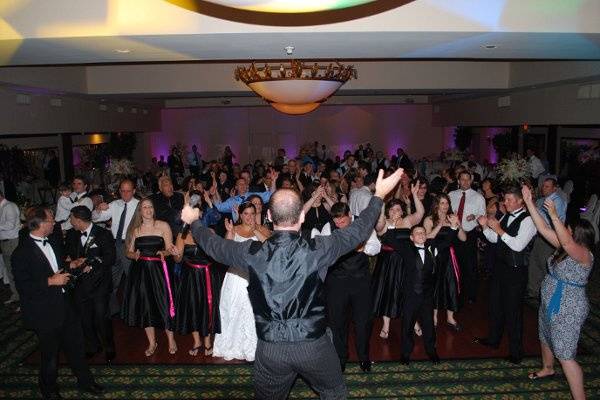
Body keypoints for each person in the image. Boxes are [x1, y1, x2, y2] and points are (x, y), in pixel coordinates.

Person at [181, 168, 404, 400]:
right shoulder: (319, 248)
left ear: (268, 217)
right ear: (302, 217)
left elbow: (213, 245)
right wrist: (378, 196)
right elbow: (358, 232)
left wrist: (194, 221)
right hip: (314, 346)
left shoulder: (251, 253)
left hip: (270, 351)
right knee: (335, 393)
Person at [12, 206, 103, 399]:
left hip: (65, 303)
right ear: (41, 224)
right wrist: (50, 281)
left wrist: (72, 265)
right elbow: (23, 286)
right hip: (43, 311)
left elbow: (58, 265)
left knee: (76, 347)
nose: (55, 222)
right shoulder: (21, 253)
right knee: (50, 354)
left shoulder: (52, 240)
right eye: (51, 220)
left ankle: (86, 382)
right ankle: (49, 390)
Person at [522, 185, 593, 400]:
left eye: (568, 228)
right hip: (551, 300)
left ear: (576, 234)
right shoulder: (564, 248)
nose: (565, 230)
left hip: (568, 307)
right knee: (545, 335)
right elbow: (543, 229)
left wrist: (554, 214)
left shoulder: (583, 254)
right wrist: (529, 202)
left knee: (566, 354)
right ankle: (547, 368)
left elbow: (567, 240)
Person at [475, 186, 537, 364]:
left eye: (510, 200)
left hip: (516, 271)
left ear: (520, 201)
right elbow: (495, 239)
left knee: (513, 312)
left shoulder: (528, 220)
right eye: (505, 199)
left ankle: (516, 352)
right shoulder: (507, 216)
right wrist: (486, 227)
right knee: (495, 305)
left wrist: (499, 229)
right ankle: (494, 340)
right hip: (501, 268)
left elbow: (518, 246)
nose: (505, 203)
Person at [324, 202, 380, 373]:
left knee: (363, 321)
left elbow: (376, 246)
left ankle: (364, 357)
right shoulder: (328, 227)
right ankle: (340, 358)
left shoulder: (362, 225)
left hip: (360, 280)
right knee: (336, 322)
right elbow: (323, 250)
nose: (338, 225)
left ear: (349, 214)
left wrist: (363, 248)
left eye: (342, 220)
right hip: (336, 281)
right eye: (336, 222)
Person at [213, 202, 270, 361]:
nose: (249, 217)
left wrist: (256, 231)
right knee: (233, 310)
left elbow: (270, 249)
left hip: (256, 276)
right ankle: (231, 345)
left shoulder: (262, 229)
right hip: (236, 277)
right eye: (246, 214)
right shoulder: (234, 229)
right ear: (240, 214)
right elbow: (226, 251)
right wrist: (230, 232)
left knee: (254, 311)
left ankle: (254, 347)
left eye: (252, 213)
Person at [121, 198, 178, 356]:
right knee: (146, 307)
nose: (148, 210)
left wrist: (164, 252)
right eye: (145, 207)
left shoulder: (163, 226)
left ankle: (171, 340)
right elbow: (128, 252)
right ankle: (152, 343)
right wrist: (134, 255)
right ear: (140, 211)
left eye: (150, 207)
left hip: (159, 271)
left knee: (164, 304)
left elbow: (169, 248)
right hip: (141, 273)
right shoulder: (136, 230)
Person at [398, 221, 459, 365]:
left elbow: (448, 240)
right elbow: (390, 239)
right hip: (410, 295)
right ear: (412, 237)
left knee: (429, 325)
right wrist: (392, 226)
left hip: (427, 295)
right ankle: (405, 354)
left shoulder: (432, 248)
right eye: (418, 233)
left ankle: (431, 351)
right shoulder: (407, 249)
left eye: (423, 233)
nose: (421, 235)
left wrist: (454, 227)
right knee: (407, 325)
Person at [171, 191, 222, 356]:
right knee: (192, 307)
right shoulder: (182, 235)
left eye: (197, 212)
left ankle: (207, 342)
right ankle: (197, 341)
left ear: (201, 214)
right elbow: (178, 260)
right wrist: (175, 254)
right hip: (189, 277)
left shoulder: (210, 233)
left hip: (207, 275)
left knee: (206, 308)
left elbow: (217, 257)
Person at [65, 206, 117, 363]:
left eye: (72, 219)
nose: (70, 222)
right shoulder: (72, 234)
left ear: (79, 220)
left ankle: (109, 347)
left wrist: (91, 263)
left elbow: (110, 258)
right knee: (84, 318)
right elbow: (68, 253)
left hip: (99, 283)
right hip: (80, 284)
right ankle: (92, 346)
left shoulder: (103, 234)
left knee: (102, 317)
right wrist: (70, 261)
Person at [372, 182, 423, 340]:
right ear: (388, 211)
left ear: (402, 211)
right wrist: (382, 204)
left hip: (406, 262)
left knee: (407, 292)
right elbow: (379, 226)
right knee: (388, 293)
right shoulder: (384, 222)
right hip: (388, 263)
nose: (395, 211)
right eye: (392, 209)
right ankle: (386, 325)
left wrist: (414, 194)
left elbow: (420, 213)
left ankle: (413, 321)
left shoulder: (407, 221)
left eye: (398, 209)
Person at [93, 179, 140, 315]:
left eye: (128, 191)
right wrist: (98, 209)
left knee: (132, 278)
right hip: (113, 244)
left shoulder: (139, 205)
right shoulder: (114, 204)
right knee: (112, 278)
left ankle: (134, 310)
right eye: (123, 191)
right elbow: (96, 218)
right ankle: (113, 310)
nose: (125, 193)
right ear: (119, 191)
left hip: (130, 243)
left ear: (134, 191)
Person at [423, 194, 467, 330]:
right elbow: (426, 237)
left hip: (449, 255)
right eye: (442, 203)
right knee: (435, 285)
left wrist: (458, 225)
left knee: (451, 285)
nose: (445, 206)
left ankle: (450, 317)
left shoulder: (451, 218)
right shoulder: (429, 219)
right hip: (435, 255)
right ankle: (434, 316)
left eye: (447, 203)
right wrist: (440, 225)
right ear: (436, 205)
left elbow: (463, 239)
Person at [448, 171, 486, 304]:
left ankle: (471, 294)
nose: (465, 182)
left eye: (467, 180)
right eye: (462, 179)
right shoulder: (451, 195)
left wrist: (474, 217)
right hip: (453, 232)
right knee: (453, 263)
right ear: (458, 181)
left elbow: (483, 216)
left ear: (471, 181)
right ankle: (455, 292)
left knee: (470, 265)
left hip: (469, 234)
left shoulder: (478, 197)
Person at [527, 177, 567, 298]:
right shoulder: (542, 200)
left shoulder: (557, 201)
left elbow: (552, 222)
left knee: (545, 263)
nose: (543, 188)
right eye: (543, 186)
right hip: (541, 236)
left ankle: (547, 292)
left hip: (551, 237)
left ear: (555, 188)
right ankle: (533, 290)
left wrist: (535, 209)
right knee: (534, 261)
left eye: (547, 186)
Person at [0, 190, 21, 305]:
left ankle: (23, 300)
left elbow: (10, 225)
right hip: (4, 242)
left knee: (17, 271)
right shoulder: (2, 207)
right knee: (10, 271)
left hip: (13, 242)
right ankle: (16, 295)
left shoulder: (9, 206)